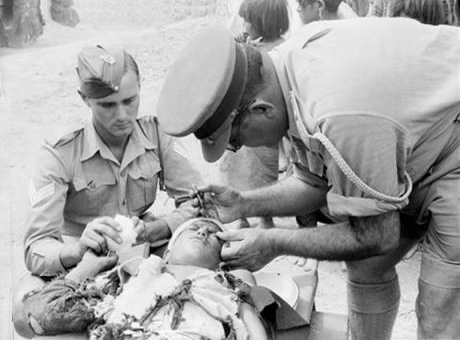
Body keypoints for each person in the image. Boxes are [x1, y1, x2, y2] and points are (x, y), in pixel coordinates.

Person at [156, 20, 460, 340]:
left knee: (439, 308)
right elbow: (315, 181)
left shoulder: (341, 112)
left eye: (235, 140)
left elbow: (376, 235)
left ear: (261, 110)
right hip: (422, 150)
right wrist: (244, 203)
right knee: (366, 268)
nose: (238, 149)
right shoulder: (285, 73)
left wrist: (275, 242)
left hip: (452, 154)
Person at [13, 44, 203, 337]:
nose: (122, 115)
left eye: (130, 100)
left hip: (146, 253)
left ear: (140, 88)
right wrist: (75, 249)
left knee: (201, 256)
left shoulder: (156, 134)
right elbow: (36, 246)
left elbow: (196, 202)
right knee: (23, 316)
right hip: (81, 264)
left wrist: (157, 228)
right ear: (85, 99)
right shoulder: (61, 151)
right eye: (107, 105)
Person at [19, 218, 305, 339]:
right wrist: (88, 266)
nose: (204, 232)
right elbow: (42, 313)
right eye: (194, 229)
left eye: (213, 234)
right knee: (33, 308)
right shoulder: (132, 276)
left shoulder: (226, 283)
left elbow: (253, 325)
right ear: (168, 252)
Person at [220, 0, 289, 229]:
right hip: (242, 127)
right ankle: (241, 217)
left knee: (261, 177)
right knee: (234, 172)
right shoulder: (249, 46)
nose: (245, 26)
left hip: (262, 133)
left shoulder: (281, 50)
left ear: (264, 20)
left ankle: (265, 219)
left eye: (248, 20)